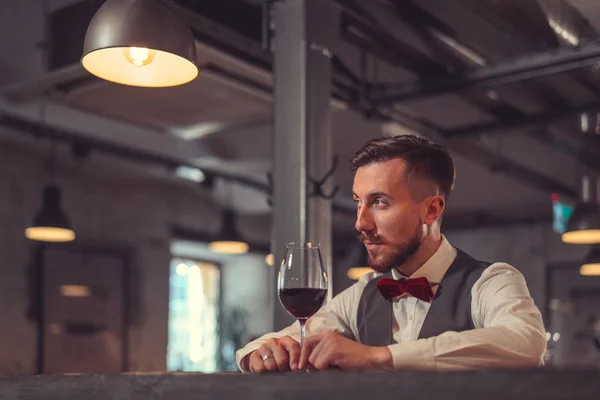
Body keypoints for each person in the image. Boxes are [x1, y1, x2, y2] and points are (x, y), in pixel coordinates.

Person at [236, 135, 546, 373]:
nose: (361, 223)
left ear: (431, 209)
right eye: (359, 202)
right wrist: (258, 355)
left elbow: (526, 343)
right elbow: (288, 337)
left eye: (380, 202)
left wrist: (377, 356)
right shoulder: (362, 293)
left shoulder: (491, 280)